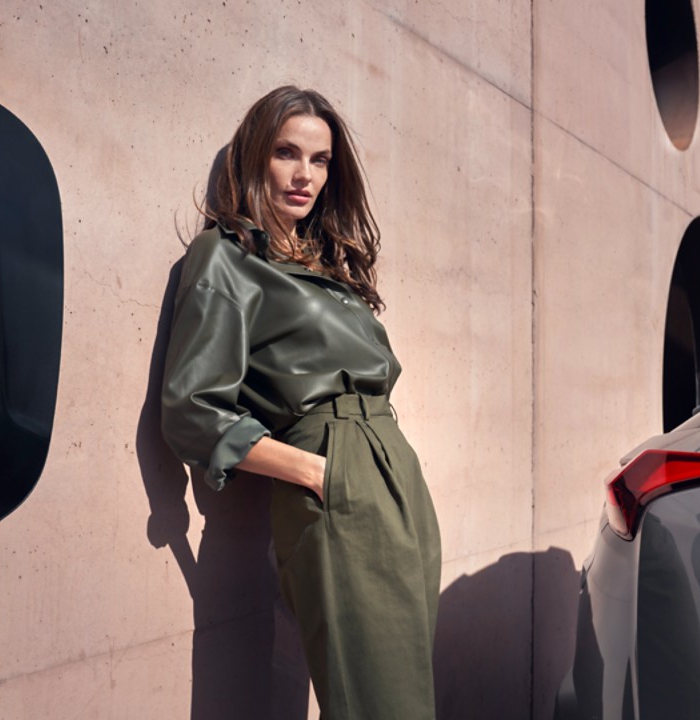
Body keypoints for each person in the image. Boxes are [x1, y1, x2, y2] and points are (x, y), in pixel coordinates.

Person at [161, 86, 441, 720]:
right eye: (287, 153)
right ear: (256, 156)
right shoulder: (227, 257)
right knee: (381, 703)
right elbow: (191, 410)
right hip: (334, 472)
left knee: (407, 694)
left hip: (394, 476)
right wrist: (315, 471)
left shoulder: (329, 268)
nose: (304, 175)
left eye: (320, 160)